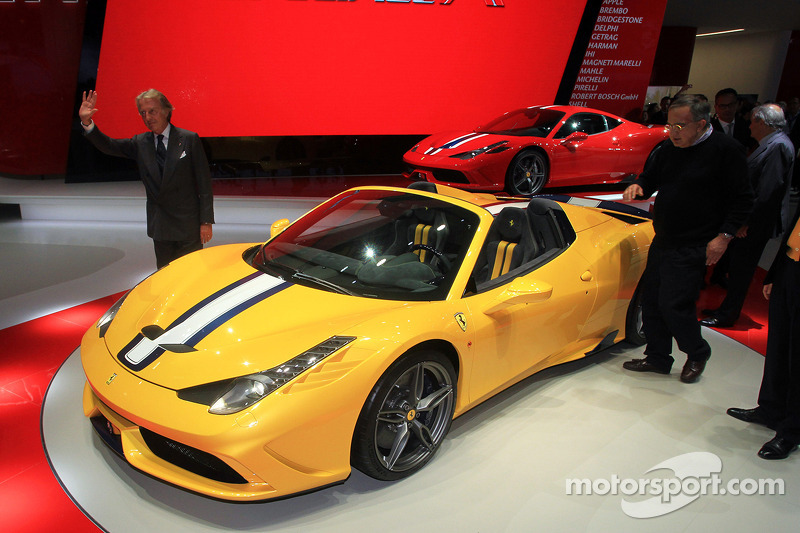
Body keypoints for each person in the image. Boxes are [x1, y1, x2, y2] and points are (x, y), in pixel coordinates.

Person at [621, 95, 753, 383]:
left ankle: (697, 352)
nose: (673, 132)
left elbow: (743, 199)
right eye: (670, 125)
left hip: (697, 242)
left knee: (674, 303)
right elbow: (651, 177)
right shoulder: (669, 147)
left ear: (701, 124)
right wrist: (639, 185)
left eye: (680, 126)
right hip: (665, 237)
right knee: (653, 300)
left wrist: (724, 237)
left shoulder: (726, 150)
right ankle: (657, 357)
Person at [79, 89, 214, 269]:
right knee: (164, 276)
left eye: (152, 111)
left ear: (166, 110)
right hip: (161, 226)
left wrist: (206, 221)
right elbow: (109, 146)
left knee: (190, 275)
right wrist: (87, 123)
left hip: (188, 225)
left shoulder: (188, 139)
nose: (148, 116)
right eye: (143, 113)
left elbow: (204, 182)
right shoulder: (140, 143)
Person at [701, 104, 795, 327]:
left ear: (762, 122)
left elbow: (768, 190)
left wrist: (745, 222)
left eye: (753, 121)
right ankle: (726, 310)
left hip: (754, 224)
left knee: (741, 271)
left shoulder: (778, 146)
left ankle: (728, 314)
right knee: (737, 267)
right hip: (752, 222)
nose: (749, 126)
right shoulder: (773, 143)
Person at [726, 202, 800, 459]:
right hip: (791, 266)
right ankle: (770, 408)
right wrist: (774, 274)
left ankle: (791, 432)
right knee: (778, 345)